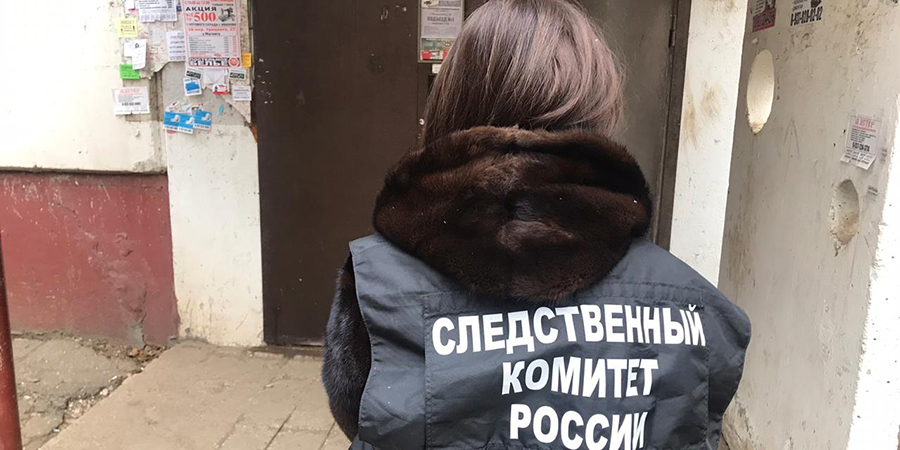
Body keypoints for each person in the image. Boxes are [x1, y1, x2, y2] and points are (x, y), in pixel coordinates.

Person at [322, 0, 750, 448]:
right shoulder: (691, 307)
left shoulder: (378, 289)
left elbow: (357, 411)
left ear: (452, 101)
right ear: (600, 111)